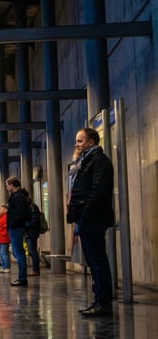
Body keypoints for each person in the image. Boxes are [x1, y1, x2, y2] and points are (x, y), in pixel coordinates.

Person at [67, 127, 116, 317]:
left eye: (80, 141)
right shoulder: (87, 161)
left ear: (91, 142)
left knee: (97, 261)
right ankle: (99, 301)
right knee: (94, 261)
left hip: (93, 219)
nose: (77, 144)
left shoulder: (99, 161)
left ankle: (103, 303)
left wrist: (84, 215)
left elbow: (98, 191)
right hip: (88, 218)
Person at [4, 177, 32, 286]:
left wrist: (13, 222)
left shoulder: (19, 197)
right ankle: (21, 277)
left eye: (7, 185)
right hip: (15, 227)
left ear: (11, 185)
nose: (7, 188)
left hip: (16, 227)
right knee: (17, 252)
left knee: (19, 252)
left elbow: (20, 213)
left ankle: (22, 278)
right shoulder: (18, 196)